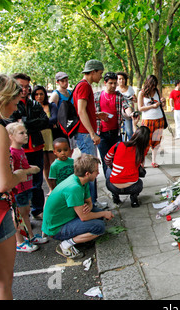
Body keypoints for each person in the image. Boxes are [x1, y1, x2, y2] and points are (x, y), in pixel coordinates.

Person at [0, 74, 37, 299]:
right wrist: (20, 173)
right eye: (14, 101)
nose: (16, 107)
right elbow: (2, 182)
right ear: (0, 99)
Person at [42, 154, 113, 259]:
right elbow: (84, 217)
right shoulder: (74, 188)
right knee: (99, 227)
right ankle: (65, 245)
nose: (98, 173)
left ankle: (78, 237)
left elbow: (89, 202)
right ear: (87, 173)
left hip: (64, 218)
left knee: (97, 215)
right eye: (96, 171)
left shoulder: (80, 180)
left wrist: (88, 206)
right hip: (56, 228)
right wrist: (104, 213)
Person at [8, 73, 49, 220]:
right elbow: (11, 125)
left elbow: (45, 121)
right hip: (20, 149)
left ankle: (38, 210)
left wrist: (25, 122)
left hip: (36, 146)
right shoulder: (11, 105)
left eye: (26, 87)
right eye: (21, 87)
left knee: (37, 182)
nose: (24, 90)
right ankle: (22, 218)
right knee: (20, 185)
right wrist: (31, 122)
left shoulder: (34, 103)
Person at [6, 122, 47, 253]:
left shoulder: (21, 150)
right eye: (21, 133)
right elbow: (14, 171)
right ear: (11, 136)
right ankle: (20, 242)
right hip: (18, 189)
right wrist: (31, 169)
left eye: (26, 132)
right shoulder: (12, 153)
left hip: (25, 187)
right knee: (17, 215)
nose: (26, 135)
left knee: (25, 213)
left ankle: (30, 236)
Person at [73, 59, 108, 211]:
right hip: (85, 134)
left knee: (91, 169)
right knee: (90, 170)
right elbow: (81, 111)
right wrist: (92, 133)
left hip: (85, 133)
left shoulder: (83, 86)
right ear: (92, 72)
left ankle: (92, 202)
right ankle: (91, 204)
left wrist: (96, 114)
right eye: (100, 73)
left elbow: (85, 110)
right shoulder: (84, 86)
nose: (101, 77)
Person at [94, 72, 132, 204]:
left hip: (115, 134)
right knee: (106, 163)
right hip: (102, 135)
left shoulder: (119, 96)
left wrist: (131, 114)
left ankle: (118, 188)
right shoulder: (97, 96)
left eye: (115, 83)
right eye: (110, 83)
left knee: (118, 162)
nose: (113, 86)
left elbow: (126, 106)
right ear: (105, 83)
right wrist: (98, 115)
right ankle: (113, 192)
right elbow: (89, 112)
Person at [104, 126, 150, 208]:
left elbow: (106, 159)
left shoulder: (119, 145)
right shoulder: (143, 150)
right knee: (139, 182)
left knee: (108, 171)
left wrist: (112, 166)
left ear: (134, 134)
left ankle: (115, 196)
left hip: (113, 186)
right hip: (133, 187)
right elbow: (141, 164)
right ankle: (134, 198)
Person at [32, 86, 58, 191]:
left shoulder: (51, 106)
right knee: (45, 165)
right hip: (38, 139)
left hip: (51, 138)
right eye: (36, 94)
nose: (39, 96)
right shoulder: (32, 108)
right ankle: (51, 188)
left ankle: (58, 187)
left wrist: (39, 122)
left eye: (41, 94)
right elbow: (31, 123)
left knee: (54, 163)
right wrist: (47, 122)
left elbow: (54, 118)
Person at [138, 75, 166, 168]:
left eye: (155, 85)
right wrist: (152, 106)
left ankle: (154, 161)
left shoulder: (157, 91)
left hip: (159, 119)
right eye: (152, 85)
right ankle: (142, 162)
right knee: (145, 141)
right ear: (148, 84)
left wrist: (163, 101)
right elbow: (140, 108)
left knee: (156, 140)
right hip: (147, 120)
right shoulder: (141, 93)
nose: (153, 87)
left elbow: (163, 105)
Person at [48, 71, 73, 148]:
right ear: (57, 82)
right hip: (61, 125)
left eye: (66, 81)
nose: (65, 83)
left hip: (70, 123)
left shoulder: (69, 92)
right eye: (62, 81)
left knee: (71, 147)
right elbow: (51, 109)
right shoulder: (56, 94)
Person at [116, 71, 138, 139]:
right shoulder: (115, 89)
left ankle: (131, 145)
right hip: (118, 112)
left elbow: (136, 100)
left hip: (128, 113)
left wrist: (133, 99)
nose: (121, 80)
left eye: (123, 79)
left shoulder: (130, 88)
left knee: (129, 132)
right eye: (119, 79)